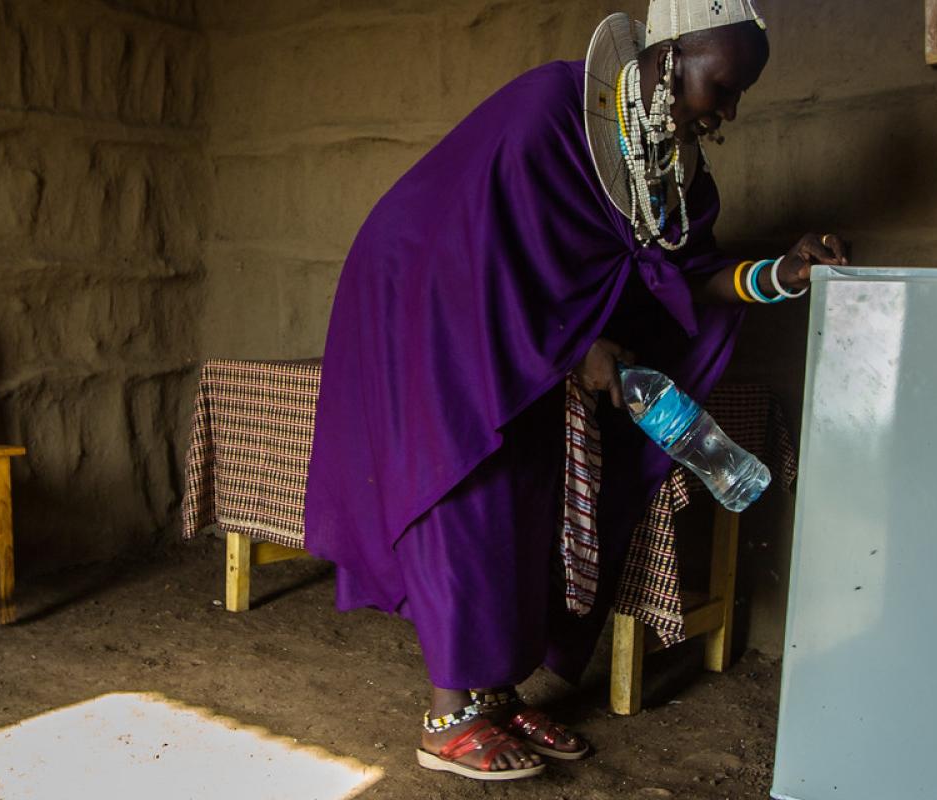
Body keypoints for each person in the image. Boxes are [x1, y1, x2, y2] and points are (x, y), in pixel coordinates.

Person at [303, 0, 849, 781]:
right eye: (721, 86)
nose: (728, 110)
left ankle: (494, 692)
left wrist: (780, 275)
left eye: (738, 95)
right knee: (470, 479)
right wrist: (582, 348)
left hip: (533, 342)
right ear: (670, 57)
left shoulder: (674, 179)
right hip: (428, 304)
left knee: (538, 489)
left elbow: (687, 280)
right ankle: (446, 711)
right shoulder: (546, 116)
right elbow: (480, 261)